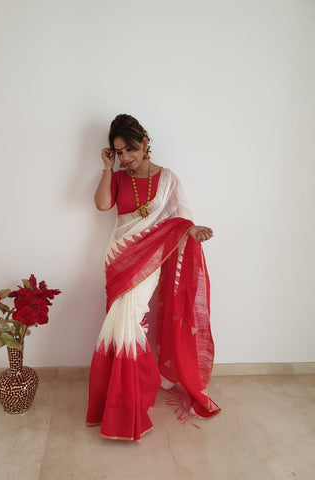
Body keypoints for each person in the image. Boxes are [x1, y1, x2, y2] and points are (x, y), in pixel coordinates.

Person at [86, 114, 220, 442]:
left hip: (150, 260)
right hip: (119, 257)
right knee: (118, 323)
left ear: (145, 141)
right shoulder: (117, 177)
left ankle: (130, 397)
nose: (126, 157)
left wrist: (190, 229)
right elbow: (103, 205)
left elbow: (179, 216)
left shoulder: (168, 179)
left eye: (130, 149)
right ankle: (119, 401)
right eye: (119, 152)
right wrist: (106, 167)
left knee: (129, 320)